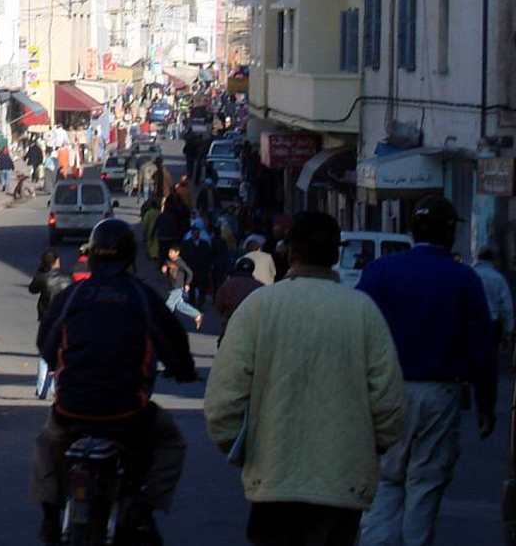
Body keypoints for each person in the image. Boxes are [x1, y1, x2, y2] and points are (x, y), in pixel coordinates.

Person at [205, 214, 407, 546]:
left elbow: (222, 401)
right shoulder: (363, 312)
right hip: (342, 483)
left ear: (289, 253)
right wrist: (366, 449)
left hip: (273, 479)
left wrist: (244, 451)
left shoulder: (258, 307)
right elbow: (390, 404)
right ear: (334, 255)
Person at [31, 219, 199, 546]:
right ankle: (145, 506)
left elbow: (46, 344)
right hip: (128, 414)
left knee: (45, 444)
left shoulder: (73, 295)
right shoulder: (140, 295)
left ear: (92, 256)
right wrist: (184, 370)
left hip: (71, 410)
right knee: (171, 443)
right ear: (129, 256)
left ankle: (50, 516)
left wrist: (58, 362)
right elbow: (173, 341)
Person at [356, 196, 497, 546]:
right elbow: (481, 346)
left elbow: (356, 330)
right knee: (426, 480)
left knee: (385, 478)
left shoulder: (380, 271)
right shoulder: (463, 279)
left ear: (412, 230)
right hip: (440, 393)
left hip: (385, 390)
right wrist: (486, 403)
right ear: (449, 234)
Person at [28, 251, 71, 400]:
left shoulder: (42, 278)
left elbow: (32, 289)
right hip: (63, 320)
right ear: (57, 262)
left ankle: (41, 389)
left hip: (46, 318)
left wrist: (40, 271)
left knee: (44, 353)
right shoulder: (66, 279)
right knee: (61, 353)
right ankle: (54, 388)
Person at [214, 257, 264, 346]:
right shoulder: (260, 286)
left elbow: (219, 304)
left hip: (230, 324)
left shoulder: (228, 284)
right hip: (253, 327)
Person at [473, 245, 514, 345]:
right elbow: (506, 308)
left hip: (469, 325)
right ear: (494, 259)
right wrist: (508, 331)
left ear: (478, 257)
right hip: (490, 326)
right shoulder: (498, 278)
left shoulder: (469, 274)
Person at [161, 245, 203, 329]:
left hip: (177, 287)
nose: (169, 254)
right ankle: (197, 315)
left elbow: (190, 273)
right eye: (169, 252)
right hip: (171, 286)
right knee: (180, 305)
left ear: (177, 253)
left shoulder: (181, 263)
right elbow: (165, 268)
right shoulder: (168, 261)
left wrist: (187, 284)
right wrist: (164, 269)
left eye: (172, 252)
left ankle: (163, 325)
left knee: (168, 306)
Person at [180, 224, 213, 307]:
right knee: (191, 286)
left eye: (197, 233)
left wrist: (208, 267)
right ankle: (192, 302)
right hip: (190, 268)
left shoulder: (204, 244)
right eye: (194, 233)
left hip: (201, 269)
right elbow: (183, 256)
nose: (196, 235)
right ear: (191, 234)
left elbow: (208, 257)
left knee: (202, 287)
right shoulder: (186, 244)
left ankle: (200, 303)